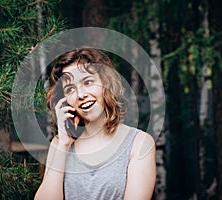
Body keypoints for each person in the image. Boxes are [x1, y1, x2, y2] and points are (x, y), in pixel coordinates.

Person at [34, 48, 156, 200]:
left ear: (106, 83)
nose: (81, 95)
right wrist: (63, 146)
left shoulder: (139, 143)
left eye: (87, 82)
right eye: (70, 89)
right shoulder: (59, 144)